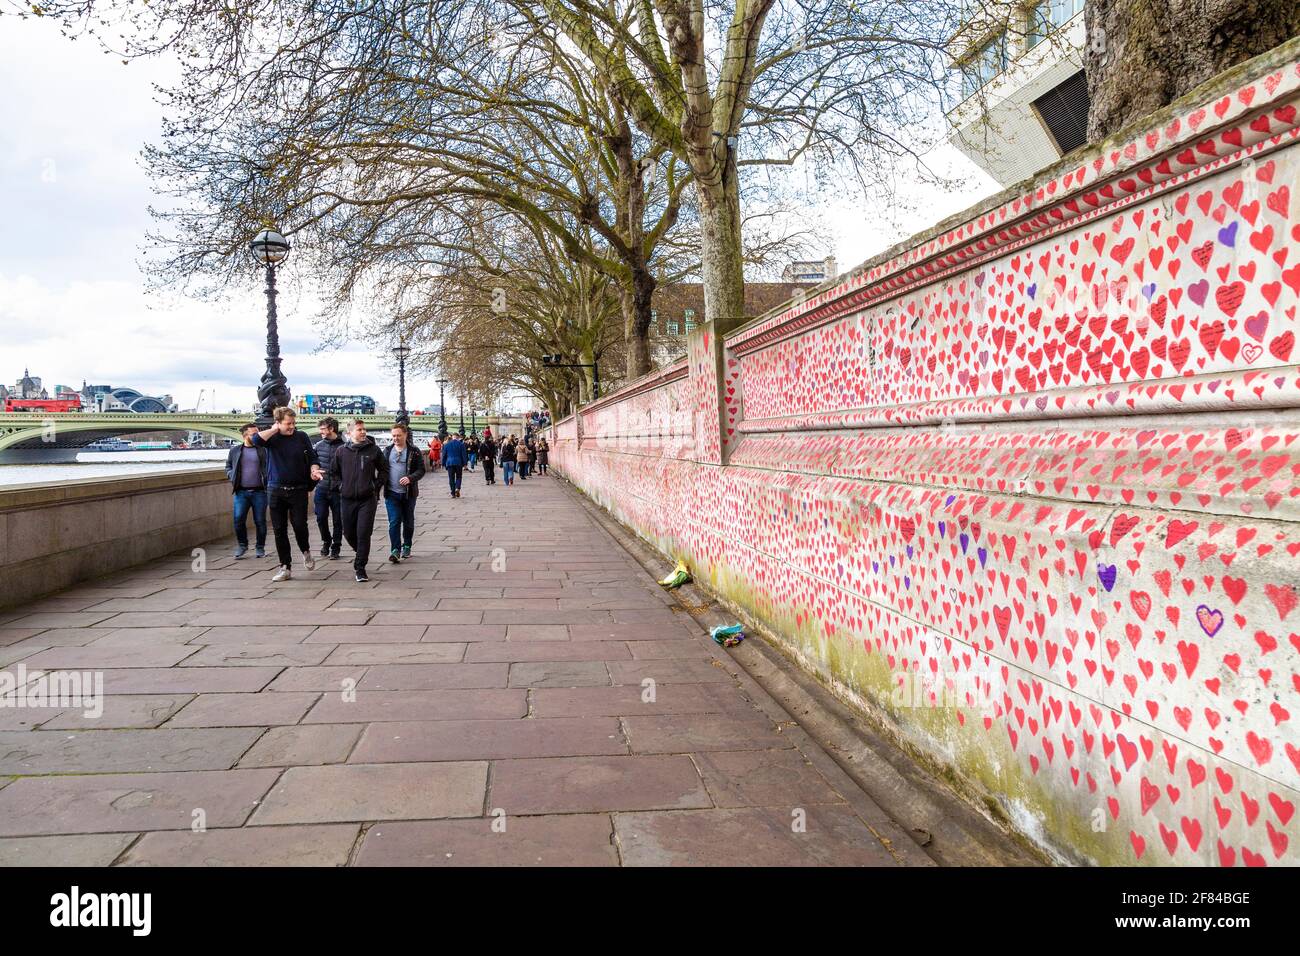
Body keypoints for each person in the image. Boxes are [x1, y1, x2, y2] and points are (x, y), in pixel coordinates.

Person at [252, 406, 323, 582]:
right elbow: (255, 440)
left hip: (298, 489)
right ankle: (285, 567)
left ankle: (305, 551)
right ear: (278, 423)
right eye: (288, 423)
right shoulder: (271, 438)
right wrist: (274, 429)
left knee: (299, 525)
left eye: (293, 423)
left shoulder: (301, 437)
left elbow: (313, 458)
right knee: (279, 530)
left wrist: (314, 470)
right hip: (275, 489)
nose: (292, 427)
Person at [331, 419, 388, 582]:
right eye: (359, 429)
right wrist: (341, 486)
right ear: (349, 433)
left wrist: (375, 486)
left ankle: (360, 567)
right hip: (347, 499)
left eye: (364, 429)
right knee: (348, 533)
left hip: (367, 499)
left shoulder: (374, 450)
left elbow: (384, 470)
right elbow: (334, 473)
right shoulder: (341, 451)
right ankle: (361, 552)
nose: (363, 432)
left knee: (363, 533)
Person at [383, 422, 426, 562]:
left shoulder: (414, 451)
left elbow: (421, 470)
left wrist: (410, 478)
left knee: (408, 521)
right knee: (394, 521)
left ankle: (407, 544)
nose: (395, 438)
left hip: (408, 493)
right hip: (391, 493)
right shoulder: (387, 451)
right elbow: (381, 470)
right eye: (393, 436)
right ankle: (395, 550)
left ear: (405, 435)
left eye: (398, 435)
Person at [225, 423, 268, 559]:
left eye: (257, 433)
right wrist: (231, 475)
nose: (257, 436)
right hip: (241, 492)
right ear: (244, 436)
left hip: (260, 492)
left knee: (260, 521)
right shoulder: (235, 451)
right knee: (238, 520)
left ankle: (260, 547)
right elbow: (228, 466)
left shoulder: (262, 450)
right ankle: (242, 545)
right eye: (253, 434)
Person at [312, 416, 345, 560]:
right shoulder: (318, 446)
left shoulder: (344, 446)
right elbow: (313, 464)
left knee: (338, 520)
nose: (321, 432)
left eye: (323, 429)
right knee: (320, 517)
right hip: (322, 487)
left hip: (338, 490)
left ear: (331, 429)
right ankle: (326, 540)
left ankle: (336, 547)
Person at [442, 430, 468, 498]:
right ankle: (457, 488)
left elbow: (444, 455)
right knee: (459, 477)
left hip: (450, 463)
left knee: (451, 478)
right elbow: (464, 455)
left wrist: (443, 464)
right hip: (458, 463)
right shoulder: (461, 444)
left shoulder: (447, 445)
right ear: (458, 437)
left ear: (452, 437)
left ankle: (453, 493)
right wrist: (465, 464)